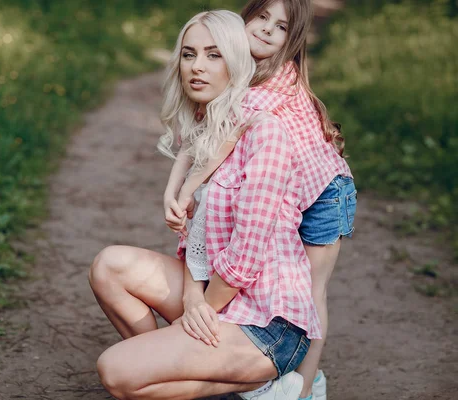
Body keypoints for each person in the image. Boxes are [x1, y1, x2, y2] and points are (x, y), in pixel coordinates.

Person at [89, 9, 319, 400]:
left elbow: (245, 258)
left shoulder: (267, 135)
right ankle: (168, 370)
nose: (197, 67)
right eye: (189, 53)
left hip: (266, 327)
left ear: (238, 59)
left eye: (214, 55)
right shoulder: (212, 126)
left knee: (115, 370)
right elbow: (201, 244)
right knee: (108, 266)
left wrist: (198, 312)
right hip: (222, 297)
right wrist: (192, 297)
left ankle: (269, 384)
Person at [163, 1, 356, 399]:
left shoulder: (276, 80)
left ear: (293, 39)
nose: (267, 31)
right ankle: (256, 362)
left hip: (324, 191)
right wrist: (173, 186)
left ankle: (305, 386)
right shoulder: (234, 62)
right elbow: (200, 130)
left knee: (311, 290)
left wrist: (186, 189)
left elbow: (227, 138)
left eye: (281, 27)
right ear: (244, 17)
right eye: (262, 18)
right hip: (284, 188)